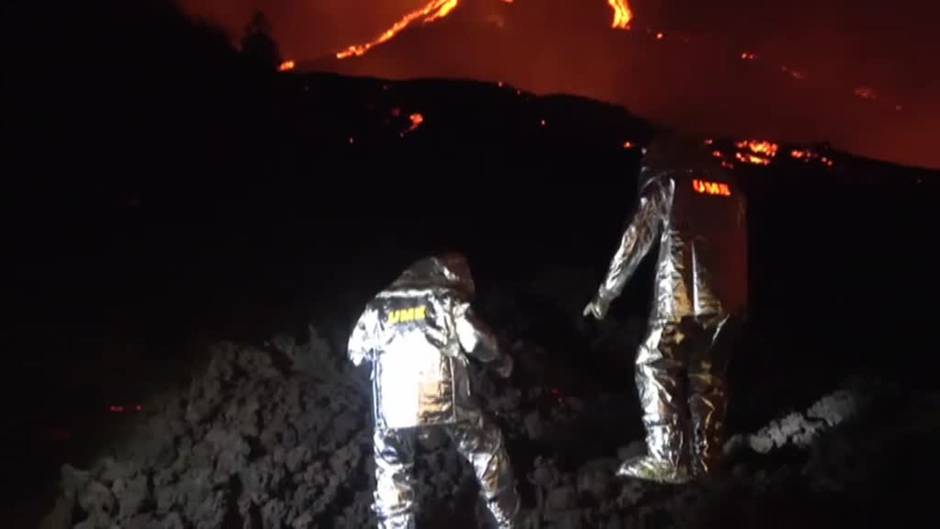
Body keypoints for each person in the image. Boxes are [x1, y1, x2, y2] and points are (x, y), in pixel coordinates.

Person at [583, 133, 748, 483]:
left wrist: (604, 297)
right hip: (730, 303)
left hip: (681, 295)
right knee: (709, 375)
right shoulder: (729, 189)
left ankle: (668, 458)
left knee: (654, 363)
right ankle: (707, 460)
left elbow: (635, 240)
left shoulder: (669, 182)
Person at [348, 253, 520, 528]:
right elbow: (477, 341)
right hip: (445, 396)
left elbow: (355, 352)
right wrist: (504, 363)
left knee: (392, 467)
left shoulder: (378, 305)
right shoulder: (445, 300)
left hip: (394, 404)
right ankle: (508, 519)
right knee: (485, 448)